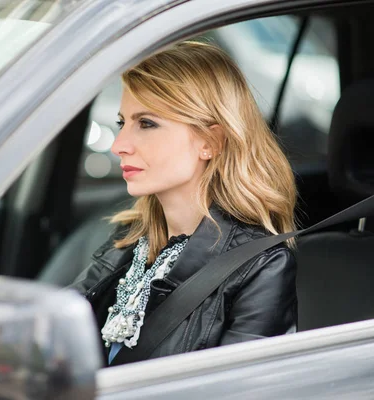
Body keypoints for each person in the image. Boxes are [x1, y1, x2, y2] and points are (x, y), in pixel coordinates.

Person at [70, 41, 298, 366]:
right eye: (123, 123)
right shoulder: (132, 238)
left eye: (146, 123)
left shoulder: (259, 266)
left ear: (210, 141)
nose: (119, 144)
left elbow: (235, 389)